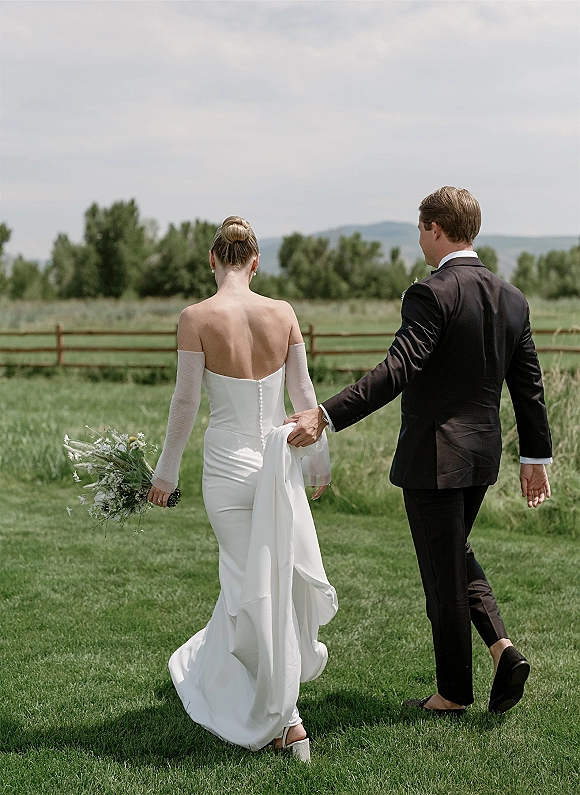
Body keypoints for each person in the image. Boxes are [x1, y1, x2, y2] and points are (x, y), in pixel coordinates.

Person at [286, 187, 552, 716]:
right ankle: (502, 651)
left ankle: (453, 694)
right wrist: (535, 459)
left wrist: (327, 414)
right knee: (452, 555)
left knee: (442, 577)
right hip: (481, 456)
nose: (419, 240)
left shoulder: (431, 293)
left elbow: (397, 370)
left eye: (420, 230)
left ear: (435, 228)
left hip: (435, 458)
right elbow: (530, 387)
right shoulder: (512, 297)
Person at [147, 216, 337, 760]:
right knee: (270, 583)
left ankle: (289, 721)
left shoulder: (195, 318)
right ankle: (276, 702)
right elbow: (304, 393)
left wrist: (166, 471)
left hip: (228, 469)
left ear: (213, 260)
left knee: (246, 585)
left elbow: (185, 403)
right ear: (255, 262)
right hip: (280, 465)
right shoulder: (282, 313)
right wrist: (318, 461)